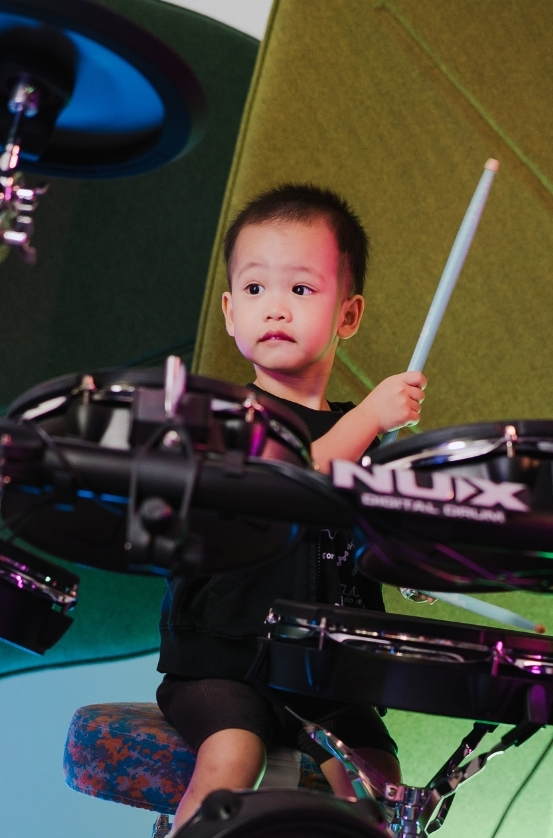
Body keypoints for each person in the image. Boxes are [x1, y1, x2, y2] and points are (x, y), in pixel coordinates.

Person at [156, 184, 427, 832]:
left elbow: (385, 546)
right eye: (255, 288)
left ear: (348, 315)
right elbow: (288, 480)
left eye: (301, 289)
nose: (275, 307)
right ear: (229, 311)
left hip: (329, 673)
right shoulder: (220, 417)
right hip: (223, 664)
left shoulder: (371, 443)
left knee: (378, 790)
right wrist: (370, 417)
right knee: (230, 761)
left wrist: (414, 561)